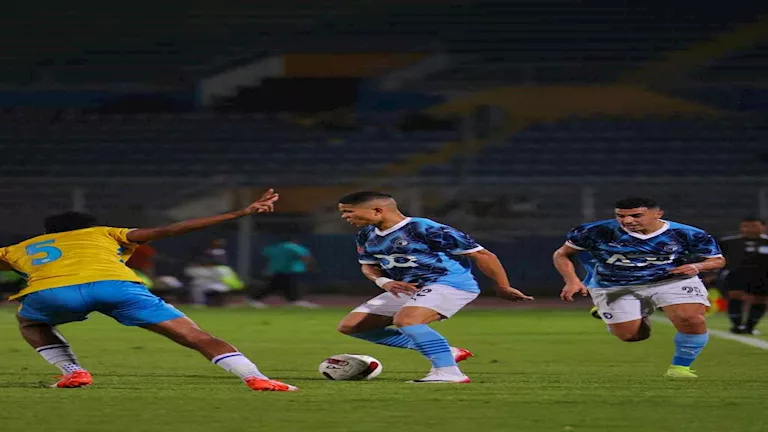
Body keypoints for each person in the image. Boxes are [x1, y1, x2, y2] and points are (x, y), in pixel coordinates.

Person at [0, 189, 298, 392]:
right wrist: (239, 213)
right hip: (116, 287)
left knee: (32, 323)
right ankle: (255, 378)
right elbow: (168, 230)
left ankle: (73, 371)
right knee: (195, 336)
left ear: (49, 232)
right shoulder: (105, 232)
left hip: (52, 293)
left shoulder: (21, 247)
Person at [335, 191, 533, 383]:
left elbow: (482, 255)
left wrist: (503, 286)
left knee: (407, 320)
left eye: (349, 211)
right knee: (352, 326)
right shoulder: (366, 234)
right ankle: (446, 351)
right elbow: (368, 265)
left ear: (378, 210)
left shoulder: (425, 228)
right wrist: (384, 282)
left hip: (449, 283)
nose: (345, 217)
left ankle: (449, 373)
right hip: (410, 288)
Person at [553, 197, 726, 379]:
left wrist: (697, 266)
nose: (627, 221)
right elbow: (562, 254)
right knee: (631, 336)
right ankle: (632, 312)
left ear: (658, 214)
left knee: (691, 319)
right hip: (614, 284)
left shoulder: (686, 233)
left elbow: (717, 260)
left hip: (672, 280)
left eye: (636, 216)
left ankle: (680, 368)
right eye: (621, 216)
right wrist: (572, 280)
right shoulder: (595, 231)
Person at [718, 217, 768, 334]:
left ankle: (750, 327)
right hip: (737, 274)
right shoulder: (728, 242)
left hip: (763, 275)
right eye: (745, 226)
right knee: (736, 296)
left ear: (763, 227)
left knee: (760, 300)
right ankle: (737, 325)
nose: (749, 229)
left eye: (753, 226)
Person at [249, 237, 319, 308]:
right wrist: (311, 267)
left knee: (275, 286)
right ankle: (254, 299)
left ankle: (255, 299)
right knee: (277, 286)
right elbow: (305, 257)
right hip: (290, 271)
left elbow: (265, 253)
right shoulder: (296, 247)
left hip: (274, 271)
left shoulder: (275, 247)